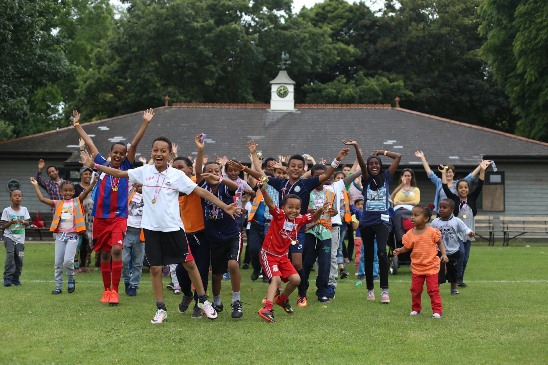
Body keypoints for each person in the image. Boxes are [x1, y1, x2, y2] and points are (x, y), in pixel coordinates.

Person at [81, 136, 236, 323]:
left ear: (170, 155)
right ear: (152, 152)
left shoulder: (176, 176)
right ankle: (161, 308)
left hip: (173, 228)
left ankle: (203, 300)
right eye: (155, 150)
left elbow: (200, 191)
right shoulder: (144, 171)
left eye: (163, 151)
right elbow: (119, 174)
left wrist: (224, 206)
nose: (159, 153)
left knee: (190, 264)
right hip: (151, 229)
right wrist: (95, 166)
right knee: (155, 269)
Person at [247, 140, 349, 308]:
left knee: (297, 264)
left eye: (299, 166)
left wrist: (337, 159)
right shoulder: (281, 183)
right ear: (287, 169)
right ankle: (276, 292)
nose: (295, 168)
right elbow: (260, 175)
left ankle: (301, 294)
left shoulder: (306, 183)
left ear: (304, 170)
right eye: (292, 166)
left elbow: (326, 174)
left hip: (299, 230)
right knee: (279, 262)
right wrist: (249, 161)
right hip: (279, 231)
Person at [73, 108, 153, 305]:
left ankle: (115, 291)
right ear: (109, 153)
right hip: (101, 217)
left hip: (119, 217)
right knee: (106, 253)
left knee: (117, 250)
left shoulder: (126, 167)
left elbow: (134, 143)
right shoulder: (100, 163)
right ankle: (106, 290)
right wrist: (77, 125)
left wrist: (145, 123)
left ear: (126, 156)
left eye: (122, 153)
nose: (118, 156)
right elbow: (90, 143)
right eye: (115, 152)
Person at [257, 185, 328, 323]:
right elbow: (270, 202)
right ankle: (267, 308)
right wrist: (263, 190)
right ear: (283, 207)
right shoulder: (279, 215)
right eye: (290, 207)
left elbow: (312, 218)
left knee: (296, 280)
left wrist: (320, 210)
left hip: (283, 257)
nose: (294, 210)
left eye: (297, 208)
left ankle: (282, 299)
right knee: (276, 280)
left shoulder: (299, 219)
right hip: (269, 255)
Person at [344, 140, 401, 303]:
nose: (374, 166)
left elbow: (398, 157)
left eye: (376, 163)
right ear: (367, 168)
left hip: (382, 222)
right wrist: (356, 147)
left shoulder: (387, 176)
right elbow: (362, 163)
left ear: (380, 165)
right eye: (371, 164)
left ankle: (384, 290)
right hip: (367, 222)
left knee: (382, 252)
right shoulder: (367, 179)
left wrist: (382, 152)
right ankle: (370, 290)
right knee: (368, 256)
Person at [194, 136, 245, 319]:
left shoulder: (225, 187)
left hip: (231, 233)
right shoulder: (202, 187)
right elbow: (198, 172)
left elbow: (234, 185)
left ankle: (236, 301)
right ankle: (216, 301)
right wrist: (200, 151)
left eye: (217, 171)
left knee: (232, 263)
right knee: (216, 275)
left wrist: (220, 178)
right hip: (213, 237)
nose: (213, 174)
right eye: (210, 171)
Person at [30, 178, 95, 294]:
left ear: (74, 192)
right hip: (60, 236)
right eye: (65, 191)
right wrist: (35, 185)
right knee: (58, 263)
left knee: (68, 261)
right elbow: (42, 199)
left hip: (73, 236)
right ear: (61, 192)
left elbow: (85, 192)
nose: (68, 193)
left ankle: (71, 279)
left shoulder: (77, 201)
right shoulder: (58, 203)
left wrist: (93, 183)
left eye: (70, 191)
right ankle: (58, 286)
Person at [172, 156, 212, 319]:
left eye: (181, 167)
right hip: (182, 233)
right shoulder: (171, 187)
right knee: (181, 269)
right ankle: (187, 294)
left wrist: (200, 150)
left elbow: (199, 175)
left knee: (201, 269)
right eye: (174, 168)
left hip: (201, 233)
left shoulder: (196, 182)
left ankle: (199, 303)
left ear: (189, 169)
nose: (177, 171)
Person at [393, 205, 448, 318]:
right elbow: (407, 247)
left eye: (416, 215)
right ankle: (416, 309)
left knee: (433, 289)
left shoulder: (433, 232)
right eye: (412, 215)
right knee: (415, 290)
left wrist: (444, 254)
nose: (412, 217)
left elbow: (440, 243)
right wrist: (400, 250)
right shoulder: (409, 234)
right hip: (417, 268)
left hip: (431, 267)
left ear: (426, 219)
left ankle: (437, 311)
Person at [442, 160, 489, 288]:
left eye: (465, 187)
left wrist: (482, 169)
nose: (463, 189)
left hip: (469, 232)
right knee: (460, 254)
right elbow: (445, 187)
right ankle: (455, 278)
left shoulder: (472, 198)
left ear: (468, 189)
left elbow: (480, 184)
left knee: (466, 257)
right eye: (460, 187)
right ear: (457, 190)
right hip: (456, 233)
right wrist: (443, 174)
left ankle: (459, 278)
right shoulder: (455, 200)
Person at [326, 169, 362, 299]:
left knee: (333, 255)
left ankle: (331, 286)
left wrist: (362, 167)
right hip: (317, 226)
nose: (327, 177)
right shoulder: (315, 185)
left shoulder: (337, 186)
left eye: (329, 175)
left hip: (335, 224)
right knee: (321, 256)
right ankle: (321, 284)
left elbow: (350, 177)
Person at [430, 199, 474, 295]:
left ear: (452, 210)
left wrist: (469, 232)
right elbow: (429, 233)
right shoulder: (435, 222)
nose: (441, 209)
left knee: (453, 271)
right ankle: (436, 289)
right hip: (439, 251)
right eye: (440, 207)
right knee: (438, 271)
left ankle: (453, 288)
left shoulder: (456, 221)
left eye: (444, 207)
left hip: (453, 251)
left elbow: (465, 229)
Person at [414, 151, 480, 213]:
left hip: (454, 212)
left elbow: (470, 177)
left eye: (450, 172)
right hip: (441, 212)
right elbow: (430, 173)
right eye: (446, 172)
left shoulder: (458, 184)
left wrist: (480, 166)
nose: (448, 174)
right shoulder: (439, 182)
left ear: (453, 174)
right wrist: (422, 158)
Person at [2, 190, 30, 287]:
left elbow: (27, 223)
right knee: (10, 256)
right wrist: (11, 222)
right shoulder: (7, 210)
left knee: (19, 258)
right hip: (9, 237)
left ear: (22, 198)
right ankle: (7, 278)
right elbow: (3, 226)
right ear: (11, 198)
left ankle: (15, 278)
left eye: (19, 196)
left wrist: (22, 221)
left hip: (20, 240)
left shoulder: (24, 209)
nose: (17, 197)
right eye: (15, 196)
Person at [122, 183, 145, 296]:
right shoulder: (130, 193)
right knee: (124, 260)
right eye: (139, 184)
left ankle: (133, 285)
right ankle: (127, 281)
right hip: (127, 231)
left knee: (138, 262)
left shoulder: (150, 196)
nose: (141, 186)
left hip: (141, 234)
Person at [74, 166, 95, 273]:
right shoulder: (76, 188)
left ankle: (84, 265)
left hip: (93, 219)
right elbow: (75, 201)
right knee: (80, 242)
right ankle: (76, 266)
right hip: (81, 218)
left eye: (89, 174)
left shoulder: (95, 187)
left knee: (89, 243)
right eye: (85, 174)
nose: (88, 176)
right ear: (81, 175)